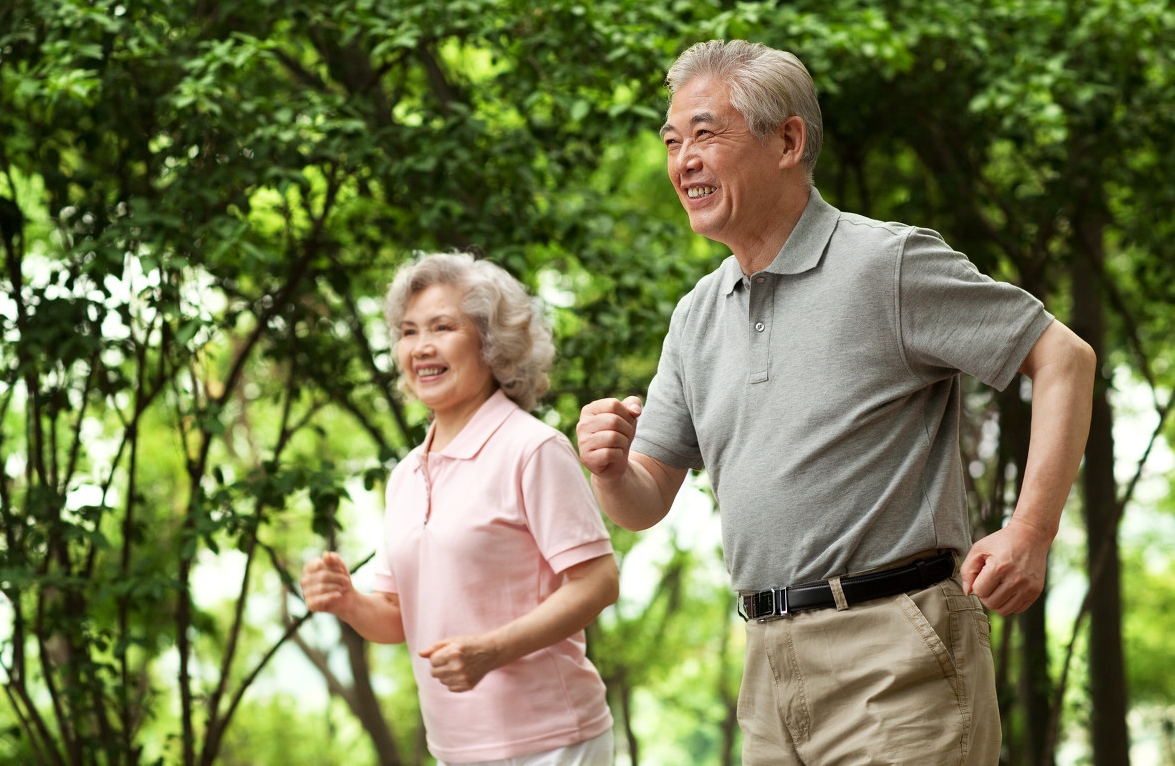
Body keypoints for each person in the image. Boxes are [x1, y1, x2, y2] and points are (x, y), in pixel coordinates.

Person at [575, 40, 1096, 765]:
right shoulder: (696, 315)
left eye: (705, 133)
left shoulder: (886, 264)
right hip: (766, 666)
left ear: (788, 141)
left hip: (897, 654)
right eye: (671, 142)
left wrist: (1031, 532)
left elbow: (1064, 357)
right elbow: (643, 501)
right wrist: (607, 468)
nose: (683, 160)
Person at [303, 252, 618, 766]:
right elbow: (397, 617)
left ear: (492, 344)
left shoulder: (532, 448)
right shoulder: (406, 476)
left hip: (554, 742)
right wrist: (347, 601)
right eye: (408, 332)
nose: (421, 347)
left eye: (442, 327)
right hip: (455, 748)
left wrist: (492, 650)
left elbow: (598, 582)